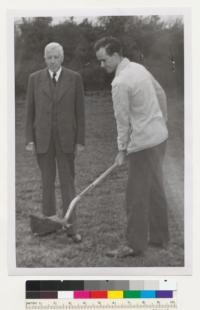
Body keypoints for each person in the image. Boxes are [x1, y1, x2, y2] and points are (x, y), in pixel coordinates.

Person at [94, 36, 169, 257]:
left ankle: (134, 245)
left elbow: (122, 120)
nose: (102, 65)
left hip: (144, 145)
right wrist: (161, 122)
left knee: (135, 195)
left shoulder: (120, 83)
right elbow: (161, 94)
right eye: (99, 61)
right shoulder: (139, 68)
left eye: (104, 60)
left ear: (116, 55)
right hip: (159, 139)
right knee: (155, 189)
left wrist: (121, 149)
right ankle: (160, 238)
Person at [25, 42, 85, 242]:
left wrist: (80, 141)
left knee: (68, 184)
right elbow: (29, 112)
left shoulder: (74, 78)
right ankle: (48, 226)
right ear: (45, 59)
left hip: (67, 140)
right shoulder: (34, 79)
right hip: (43, 141)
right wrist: (29, 139)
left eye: (55, 57)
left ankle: (72, 228)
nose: (52, 61)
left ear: (62, 58)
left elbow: (80, 112)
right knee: (46, 183)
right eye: (48, 57)